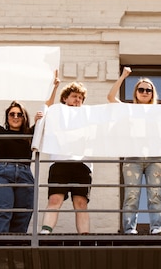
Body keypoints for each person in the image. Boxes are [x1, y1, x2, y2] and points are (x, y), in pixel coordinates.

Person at [0, 69, 59, 233]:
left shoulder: (30, 134)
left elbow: (47, 107)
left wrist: (54, 87)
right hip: (3, 174)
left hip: (25, 175)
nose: (15, 116)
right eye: (12, 114)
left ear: (24, 117)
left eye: (19, 114)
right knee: (4, 211)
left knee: (23, 214)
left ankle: (15, 250)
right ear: (7, 116)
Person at [107, 67, 161, 235]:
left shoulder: (159, 111)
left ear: (153, 93)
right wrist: (124, 76)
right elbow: (110, 97)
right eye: (141, 89)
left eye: (149, 89)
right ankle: (130, 228)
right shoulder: (128, 109)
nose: (145, 92)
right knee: (131, 195)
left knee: (155, 194)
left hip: (155, 157)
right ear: (136, 92)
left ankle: (156, 227)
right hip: (133, 157)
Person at [39, 82, 92, 234]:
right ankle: (46, 231)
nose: (78, 100)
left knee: (81, 203)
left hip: (82, 164)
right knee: (55, 199)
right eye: (74, 96)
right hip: (59, 161)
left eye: (81, 98)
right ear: (65, 98)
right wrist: (54, 87)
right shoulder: (57, 113)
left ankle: (85, 236)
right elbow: (46, 108)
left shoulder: (87, 116)